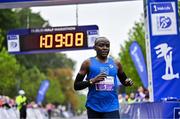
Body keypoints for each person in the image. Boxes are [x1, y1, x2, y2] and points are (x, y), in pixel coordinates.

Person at [74, 36, 133, 118]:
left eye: (107, 46)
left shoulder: (116, 63)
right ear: (94, 47)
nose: (105, 48)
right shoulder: (88, 63)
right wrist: (92, 81)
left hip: (112, 106)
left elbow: (124, 80)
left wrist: (127, 82)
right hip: (94, 106)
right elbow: (76, 86)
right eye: (101, 45)